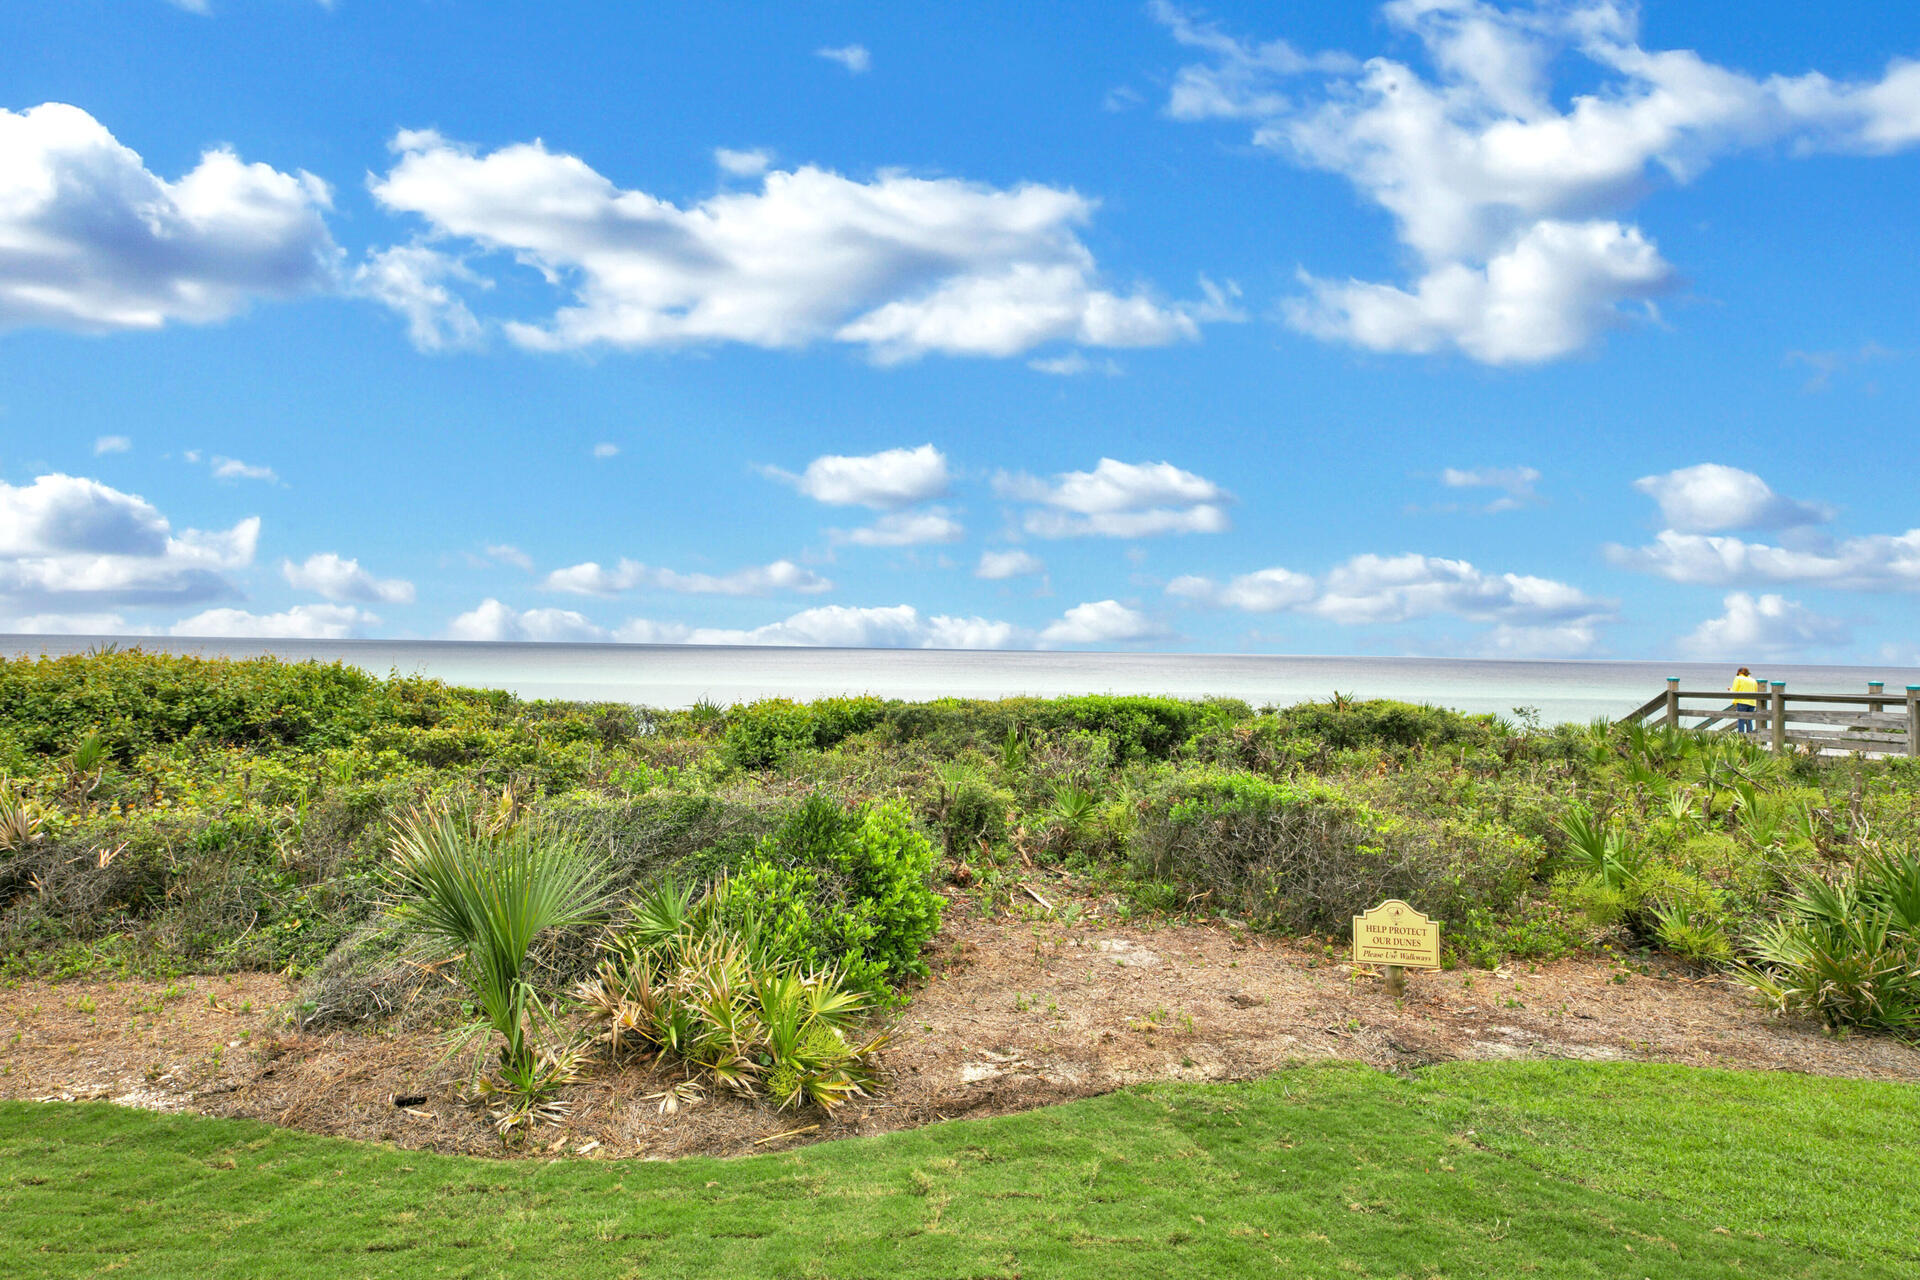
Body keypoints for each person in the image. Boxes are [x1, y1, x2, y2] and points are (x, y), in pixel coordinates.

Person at [1730, 666, 1760, 733]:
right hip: (1752, 702)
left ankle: (1741, 737)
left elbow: (1734, 690)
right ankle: (1750, 737)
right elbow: (1756, 691)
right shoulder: (1753, 680)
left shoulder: (1738, 678)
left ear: (1739, 672)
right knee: (1749, 720)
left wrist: (1730, 690)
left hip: (1742, 701)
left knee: (1741, 720)